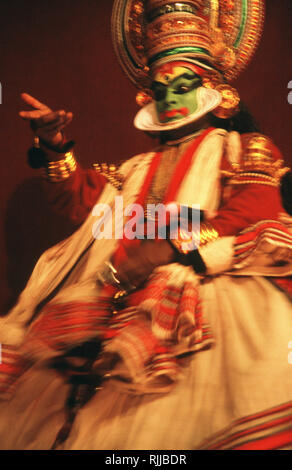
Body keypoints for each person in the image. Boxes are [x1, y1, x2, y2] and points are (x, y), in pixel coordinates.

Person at [0, 0, 292, 450]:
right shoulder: (135, 168)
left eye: (183, 83)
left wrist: (174, 249)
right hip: (110, 298)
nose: (171, 95)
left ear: (214, 89)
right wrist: (54, 146)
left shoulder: (243, 148)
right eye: (161, 86)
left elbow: (256, 206)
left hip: (198, 289)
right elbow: (79, 199)